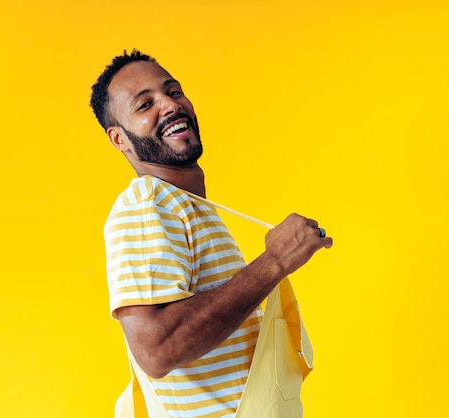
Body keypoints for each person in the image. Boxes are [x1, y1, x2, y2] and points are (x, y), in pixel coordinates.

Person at [90, 49, 333, 418]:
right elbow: (157, 350)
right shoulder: (147, 202)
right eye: (145, 105)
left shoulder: (185, 206)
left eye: (173, 91)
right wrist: (276, 261)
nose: (169, 105)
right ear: (119, 139)